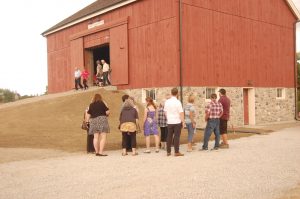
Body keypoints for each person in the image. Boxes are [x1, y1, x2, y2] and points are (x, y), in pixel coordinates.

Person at [164, 88, 185, 156]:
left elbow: (165, 112)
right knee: (176, 137)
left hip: (169, 121)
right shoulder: (178, 102)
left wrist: (168, 118)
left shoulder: (167, 101)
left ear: (171, 93)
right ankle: (176, 152)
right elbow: (181, 113)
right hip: (177, 121)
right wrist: (183, 122)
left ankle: (168, 151)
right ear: (177, 93)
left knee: (169, 136)